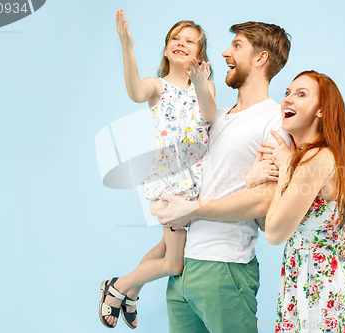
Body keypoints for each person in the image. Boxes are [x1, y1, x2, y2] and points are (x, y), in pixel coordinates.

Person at [152, 22, 292, 333]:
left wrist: (194, 210)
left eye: (237, 46)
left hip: (224, 267)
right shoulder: (214, 115)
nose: (226, 53)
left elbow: (266, 200)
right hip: (182, 268)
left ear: (260, 58)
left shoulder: (274, 120)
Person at [98, 10, 216, 329]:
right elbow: (136, 92)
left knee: (165, 248)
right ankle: (117, 287)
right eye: (175, 39)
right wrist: (126, 44)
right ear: (166, 50)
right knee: (174, 263)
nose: (181, 43)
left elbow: (209, 112)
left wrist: (202, 82)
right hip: (170, 183)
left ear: (200, 55)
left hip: (196, 185)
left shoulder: (205, 89)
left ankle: (131, 292)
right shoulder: (158, 87)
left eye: (190, 41)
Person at [257, 70, 345, 332]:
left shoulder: (317, 159)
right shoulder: (304, 157)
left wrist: (286, 167)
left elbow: (274, 233)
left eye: (301, 94)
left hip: (328, 284)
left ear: (321, 111)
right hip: (306, 277)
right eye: (287, 93)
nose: (287, 99)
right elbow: (266, 222)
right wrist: (255, 180)